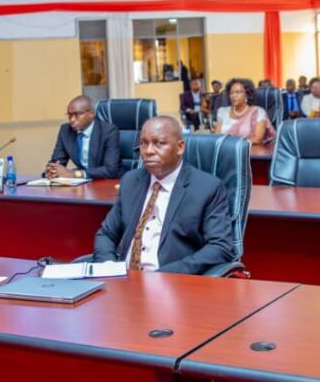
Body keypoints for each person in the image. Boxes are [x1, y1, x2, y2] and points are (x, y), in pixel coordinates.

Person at [93, 116, 236, 274]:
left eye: (159, 143)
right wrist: (109, 267)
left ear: (180, 147)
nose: (148, 151)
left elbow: (220, 246)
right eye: (144, 143)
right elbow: (106, 234)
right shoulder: (131, 181)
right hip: (124, 279)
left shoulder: (207, 187)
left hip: (172, 280)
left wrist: (164, 276)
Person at [45, 95, 121, 180]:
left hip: (106, 182)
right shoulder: (66, 130)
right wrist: (52, 170)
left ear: (91, 114)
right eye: (70, 115)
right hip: (82, 183)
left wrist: (75, 174)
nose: (72, 120)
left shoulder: (109, 131)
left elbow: (110, 170)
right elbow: (57, 162)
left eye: (76, 115)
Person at [214, 78, 274, 145]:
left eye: (238, 92)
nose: (234, 95)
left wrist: (232, 144)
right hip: (224, 150)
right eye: (231, 93)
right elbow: (217, 137)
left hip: (250, 150)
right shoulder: (222, 112)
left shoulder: (258, 112)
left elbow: (257, 139)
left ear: (247, 95)